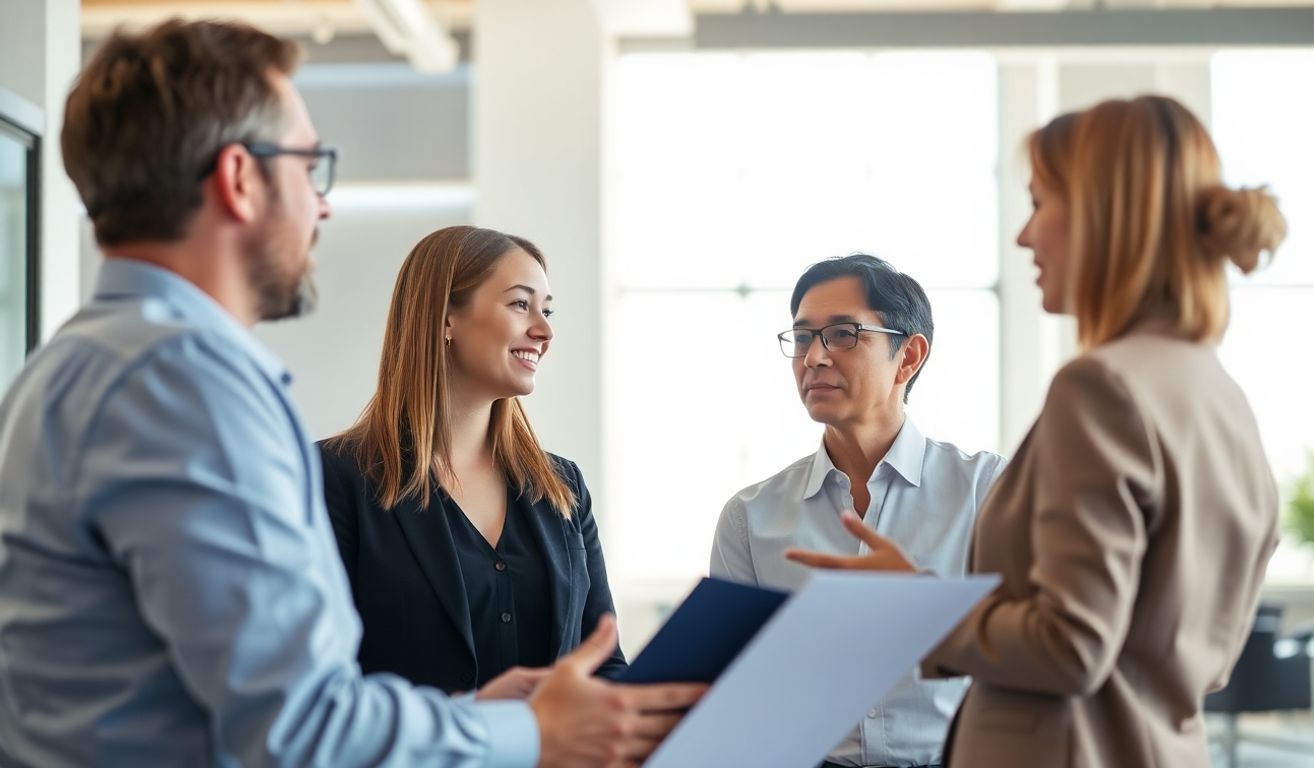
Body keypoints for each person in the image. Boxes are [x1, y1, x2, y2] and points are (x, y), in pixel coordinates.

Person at [0, 19, 701, 767]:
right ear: (240, 178)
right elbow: (298, 730)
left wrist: (463, 716)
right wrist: (530, 733)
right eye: (311, 166)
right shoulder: (185, 384)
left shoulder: (66, 368)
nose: (323, 206)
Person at [788, 94, 1285, 768]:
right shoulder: (1216, 392)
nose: (1024, 236)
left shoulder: (1101, 388)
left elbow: (1071, 645)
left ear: (1105, 215)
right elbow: (1204, 655)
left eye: (1039, 203)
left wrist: (912, 606)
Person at [711, 253, 1004, 768]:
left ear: (908, 356)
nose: (814, 358)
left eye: (843, 334)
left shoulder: (988, 490)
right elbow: (733, 695)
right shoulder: (750, 518)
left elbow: (1035, 649)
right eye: (802, 338)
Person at [318, 225, 626, 699]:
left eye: (546, 310)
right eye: (521, 304)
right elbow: (320, 682)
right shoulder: (333, 478)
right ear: (446, 318)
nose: (544, 331)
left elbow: (602, 665)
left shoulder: (563, 488)